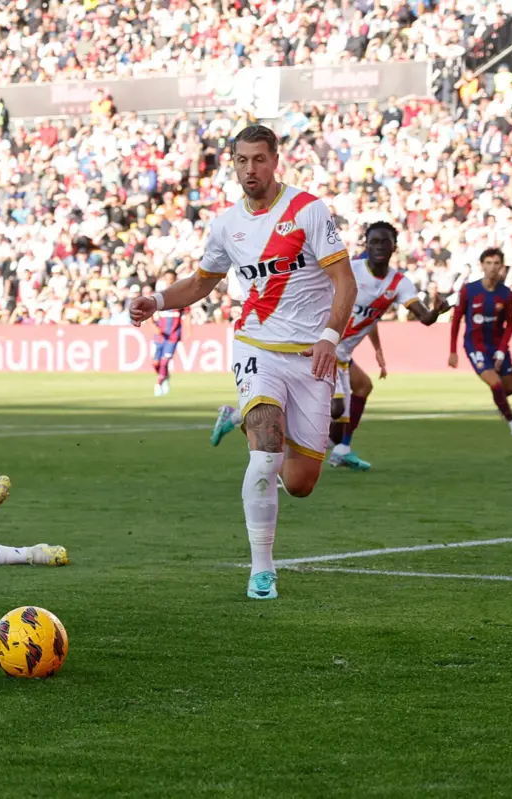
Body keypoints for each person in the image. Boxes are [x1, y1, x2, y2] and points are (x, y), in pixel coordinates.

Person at [130, 125, 356, 601]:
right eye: (241, 160)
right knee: (265, 455)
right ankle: (262, 571)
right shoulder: (225, 225)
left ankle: (238, 420)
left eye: (259, 159)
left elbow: (344, 281)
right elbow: (200, 283)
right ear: (231, 163)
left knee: (299, 483)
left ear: (276, 160)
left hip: (311, 359)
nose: (250, 169)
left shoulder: (307, 211)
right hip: (255, 347)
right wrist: (155, 300)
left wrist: (330, 338)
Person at [326, 221, 450, 470]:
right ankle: (283, 430)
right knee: (337, 407)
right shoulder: (351, 269)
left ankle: (341, 449)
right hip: (324, 343)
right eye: (373, 242)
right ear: (366, 245)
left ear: (395, 246)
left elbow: (422, 318)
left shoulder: (399, 284)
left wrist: (436, 310)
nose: (379, 247)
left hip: (343, 353)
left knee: (362, 387)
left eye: (385, 242)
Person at [449, 248, 512, 435]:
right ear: (481, 265)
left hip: (497, 345)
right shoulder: (469, 290)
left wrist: (502, 349)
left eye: (496, 263)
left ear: (501, 267)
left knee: (510, 388)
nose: (492, 267)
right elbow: (456, 320)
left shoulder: (505, 294)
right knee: (495, 384)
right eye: (488, 263)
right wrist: (453, 351)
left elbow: (510, 325)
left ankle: (500, 403)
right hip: (475, 345)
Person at [152, 306, 187, 396]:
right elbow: (148, 315)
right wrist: (153, 326)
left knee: (164, 361)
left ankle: (158, 385)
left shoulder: (180, 303)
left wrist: (188, 330)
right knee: (155, 363)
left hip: (173, 337)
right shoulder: (159, 301)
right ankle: (165, 377)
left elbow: (187, 314)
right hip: (160, 337)